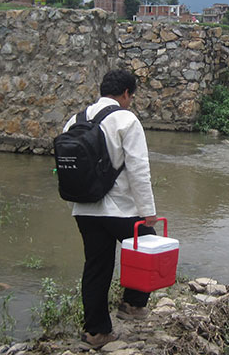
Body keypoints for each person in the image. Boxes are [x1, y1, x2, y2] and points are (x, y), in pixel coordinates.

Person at [62, 69, 158, 350]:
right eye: (131, 96)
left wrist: (76, 205)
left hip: (84, 208)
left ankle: (96, 332)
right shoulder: (126, 120)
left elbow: (68, 168)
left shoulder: (75, 120)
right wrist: (148, 211)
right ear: (126, 93)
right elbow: (139, 169)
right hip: (120, 209)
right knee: (148, 244)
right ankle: (132, 304)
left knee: (96, 267)